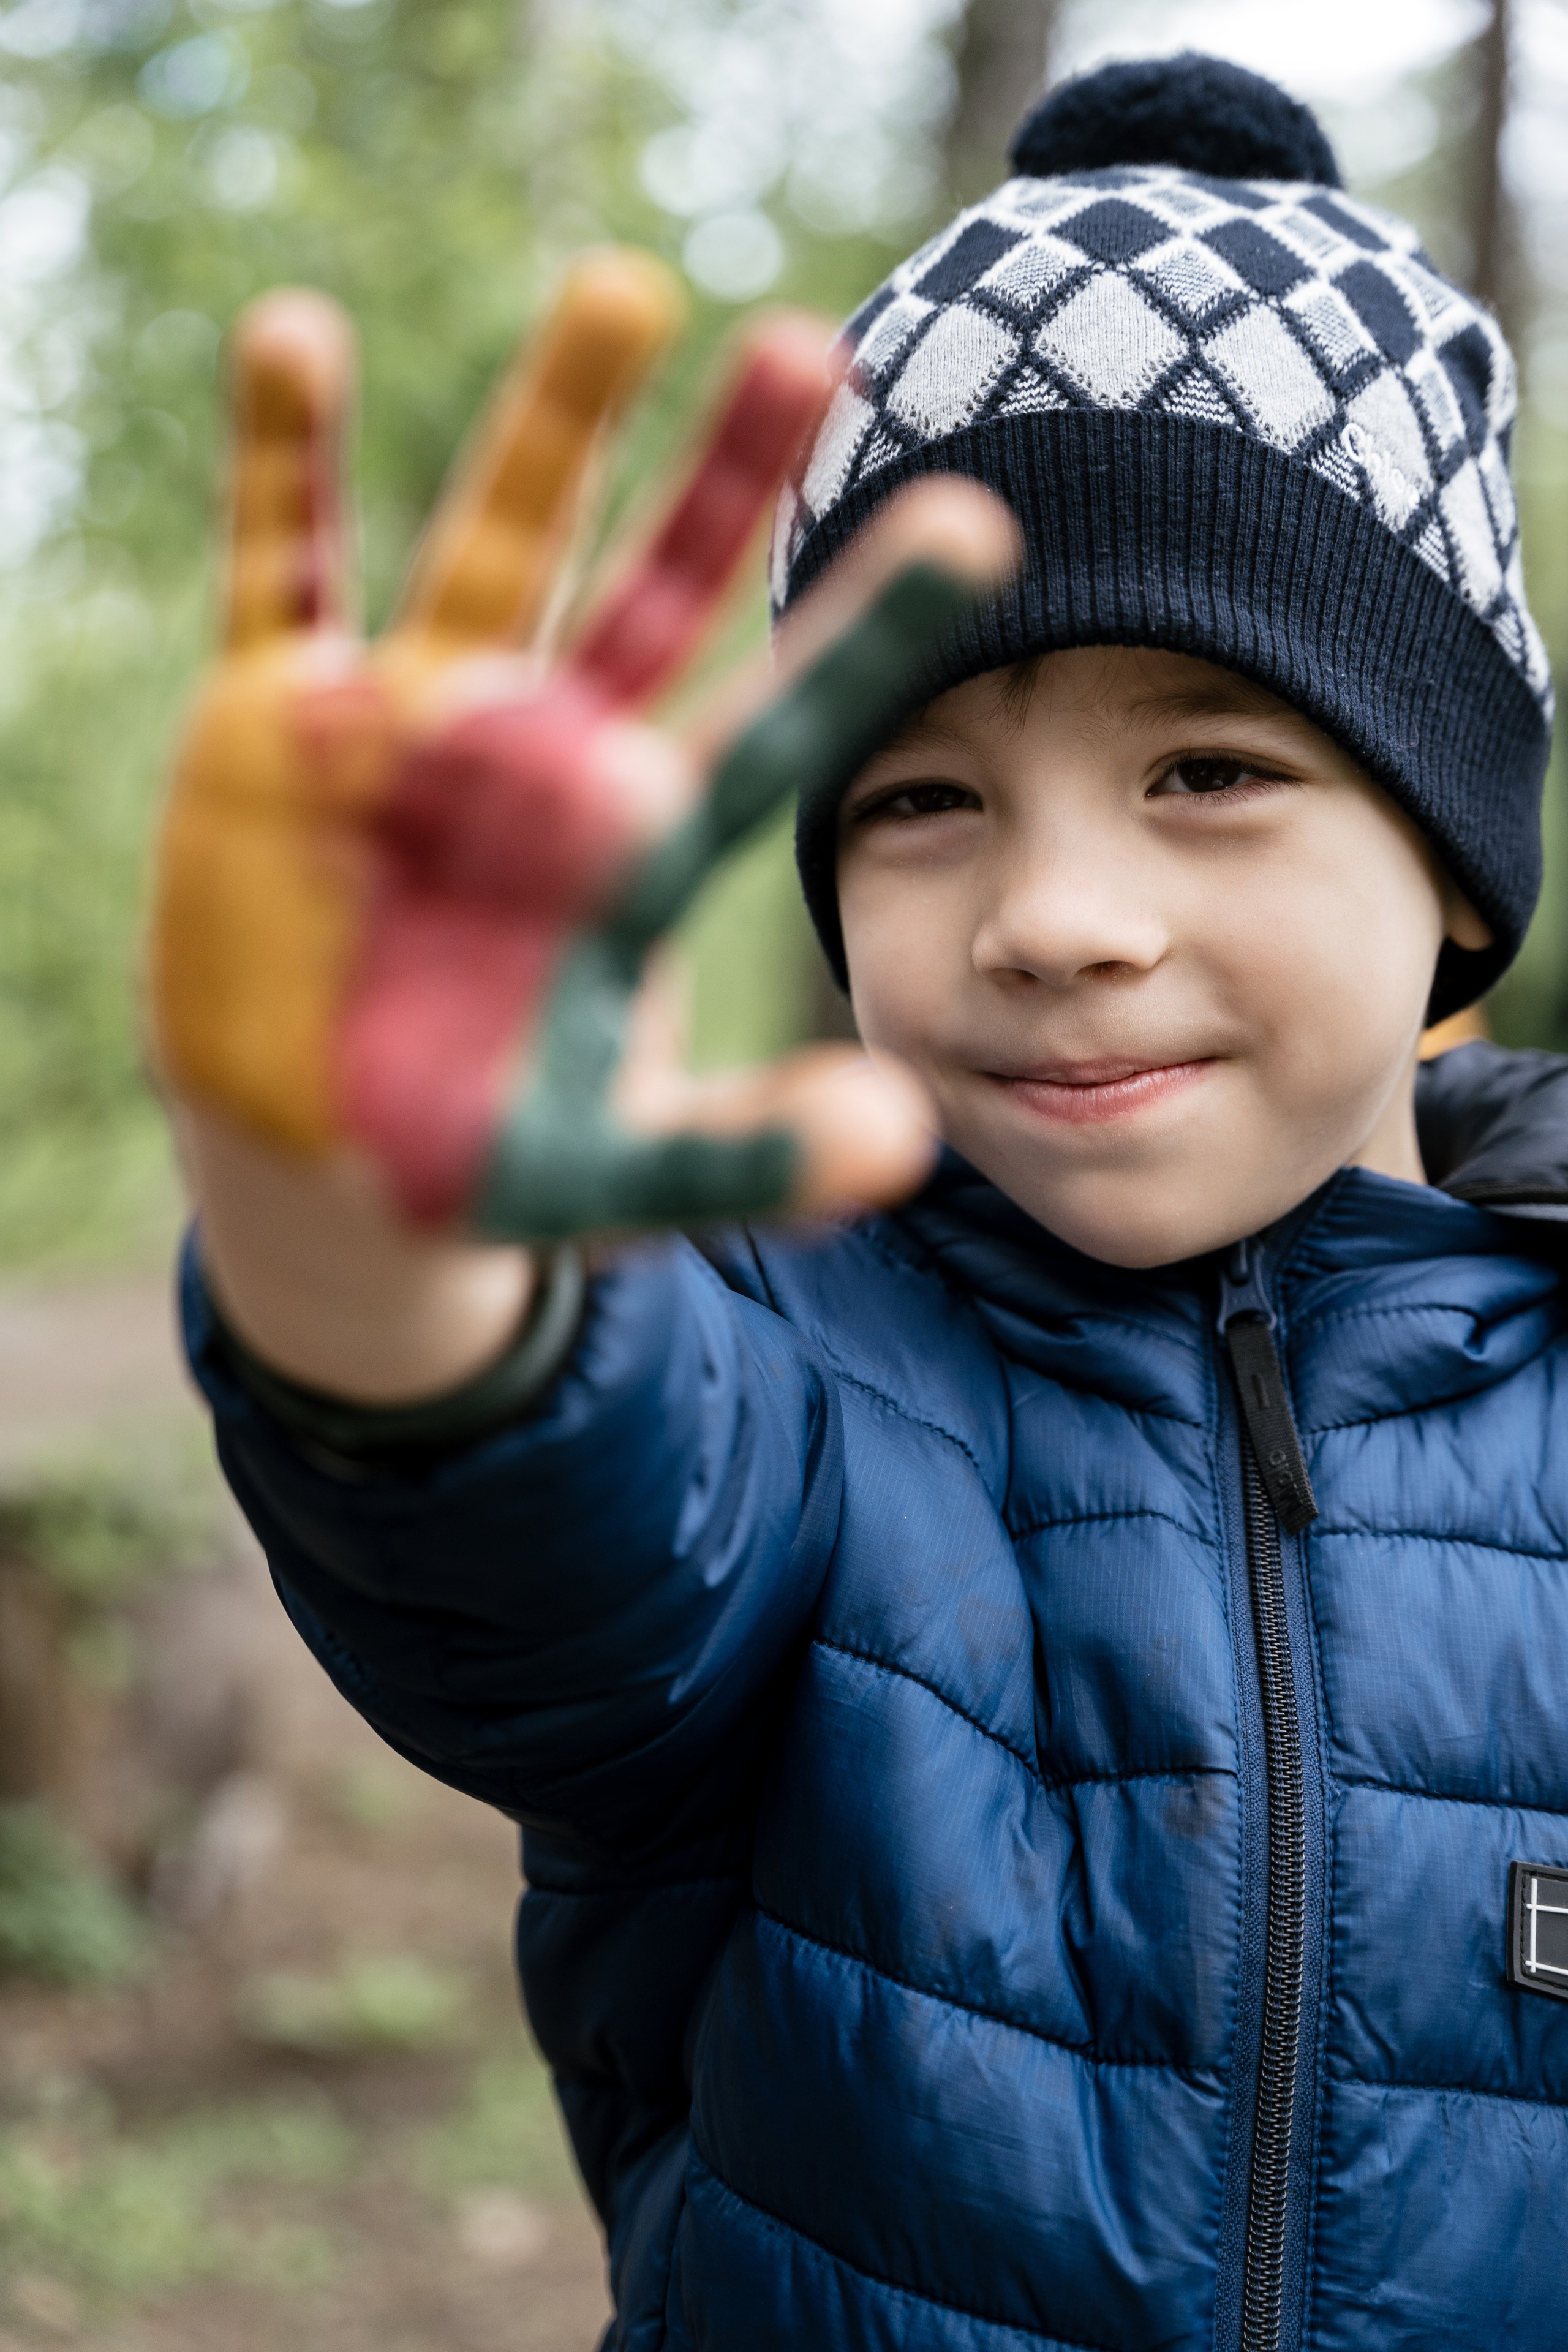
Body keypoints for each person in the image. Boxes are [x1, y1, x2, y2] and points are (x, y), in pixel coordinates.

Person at [151, 51, 1568, 2351]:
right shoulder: (785, 1349)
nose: (1057, 916)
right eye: (920, 797)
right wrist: (358, 1207)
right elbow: (535, 1533)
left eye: (1209, 766)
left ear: (1455, 861)